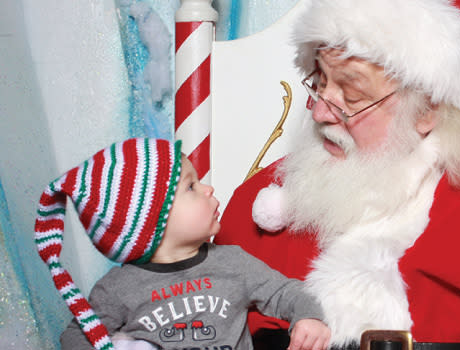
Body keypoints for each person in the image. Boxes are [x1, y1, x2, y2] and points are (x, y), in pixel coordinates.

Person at [214, 0, 460, 349]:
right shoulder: (256, 206)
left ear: (427, 110)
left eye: (351, 96)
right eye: (318, 83)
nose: (319, 114)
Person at [34, 138, 330, 350]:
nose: (208, 188)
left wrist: (309, 317)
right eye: (191, 186)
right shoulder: (117, 288)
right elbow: (76, 337)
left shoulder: (233, 264)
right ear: (152, 220)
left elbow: (290, 292)